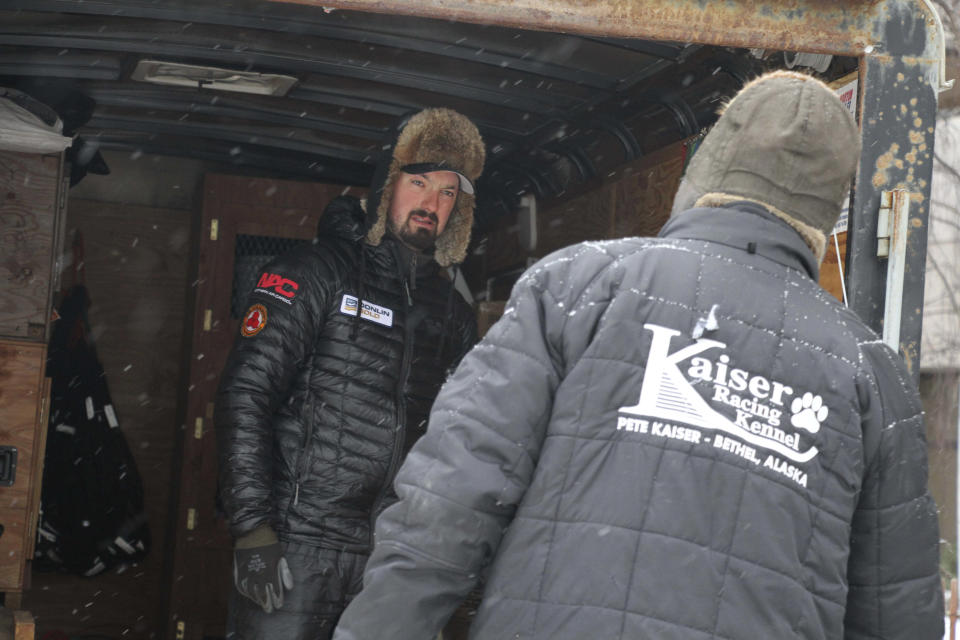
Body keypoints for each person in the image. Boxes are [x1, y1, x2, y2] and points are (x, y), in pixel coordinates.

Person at [332, 71, 944, 639]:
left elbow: (450, 502)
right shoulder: (873, 372)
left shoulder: (578, 286)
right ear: (830, 212)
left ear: (701, 177)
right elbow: (894, 608)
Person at [215, 107, 485, 639]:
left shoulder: (452, 311)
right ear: (388, 185)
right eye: (419, 183)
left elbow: (465, 434)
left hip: (392, 557)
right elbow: (247, 395)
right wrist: (252, 530)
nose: (431, 204)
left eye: (448, 193)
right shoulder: (316, 271)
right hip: (297, 545)